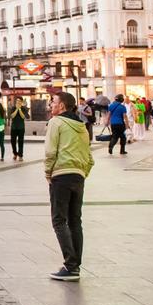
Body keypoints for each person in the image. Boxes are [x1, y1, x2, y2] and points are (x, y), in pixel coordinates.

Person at [44, 91, 94, 282]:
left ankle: (70, 265)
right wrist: (83, 172)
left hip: (61, 175)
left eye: (53, 102)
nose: (51, 105)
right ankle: (75, 266)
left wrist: (48, 173)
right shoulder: (81, 125)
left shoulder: (56, 122)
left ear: (62, 106)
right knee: (75, 221)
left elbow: (50, 151)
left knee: (59, 220)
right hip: (78, 176)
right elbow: (89, 156)